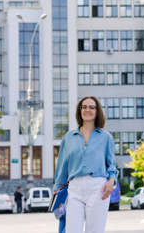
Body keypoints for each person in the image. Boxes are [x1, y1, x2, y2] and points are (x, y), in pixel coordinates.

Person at [54, 96, 118, 233]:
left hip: (98, 188)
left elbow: (112, 165)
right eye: (84, 107)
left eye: (91, 107)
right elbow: (61, 168)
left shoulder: (105, 137)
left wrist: (111, 181)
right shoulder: (69, 137)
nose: (87, 110)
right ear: (80, 110)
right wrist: (57, 194)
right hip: (74, 189)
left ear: (97, 111)